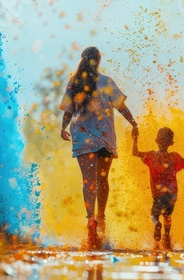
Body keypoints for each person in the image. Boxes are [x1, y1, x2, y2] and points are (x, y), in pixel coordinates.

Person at [59, 46, 139, 249]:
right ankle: (101, 218)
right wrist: (133, 123)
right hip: (104, 137)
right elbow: (121, 106)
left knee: (88, 180)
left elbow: (68, 110)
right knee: (103, 179)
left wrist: (63, 128)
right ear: (99, 60)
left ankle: (90, 218)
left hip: (83, 137)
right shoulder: (106, 81)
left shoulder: (74, 81)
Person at [133, 127, 184, 250]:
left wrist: (135, 138)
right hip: (172, 195)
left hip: (158, 195)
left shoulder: (151, 156)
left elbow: (135, 152)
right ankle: (166, 237)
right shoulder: (174, 156)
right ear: (171, 143)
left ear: (156, 140)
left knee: (154, 215)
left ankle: (156, 224)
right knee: (168, 216)